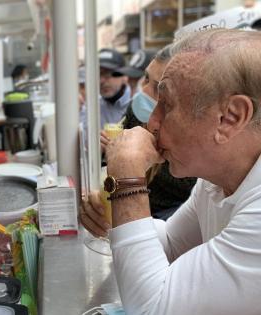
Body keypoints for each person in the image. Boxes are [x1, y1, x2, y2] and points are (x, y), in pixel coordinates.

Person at [82, 29, 261, 314]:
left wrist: (127, 178)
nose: (152, 123)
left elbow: (153, 309)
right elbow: (172, 243)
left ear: (230, 118)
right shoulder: (216, 181)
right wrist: (114, 216)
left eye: (166, 104)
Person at [101, 45, 197, 220]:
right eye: (145, 79)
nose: (142, 91)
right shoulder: (136, 111)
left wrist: (132, 164)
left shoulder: (200, 174)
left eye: (159, 89)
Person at [97, 48, 132, 128]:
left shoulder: (139, 104)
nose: (101, 80)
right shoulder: (91, 108)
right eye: (97, 74)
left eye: (108, 73)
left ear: (124, 76)